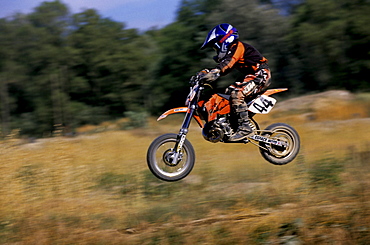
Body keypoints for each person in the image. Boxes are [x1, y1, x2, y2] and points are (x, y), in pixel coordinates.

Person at [199, 23, 271, 141]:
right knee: (226, 93)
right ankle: (232, 124)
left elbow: (228, 64)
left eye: (216, 47)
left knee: (237, 93)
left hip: (261, 74)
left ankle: (245, 128)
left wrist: (215, 71)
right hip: (252, 77)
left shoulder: (238, 46)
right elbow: (225, 67)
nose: (216, 50)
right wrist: (204, 74)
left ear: (224, 40)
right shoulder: (233, 51)